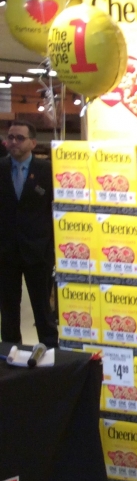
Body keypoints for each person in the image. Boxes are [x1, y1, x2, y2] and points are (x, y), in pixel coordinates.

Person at [0, 120, 58, 348]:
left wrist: (51, 246)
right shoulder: (1, 169)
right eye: (10, 137)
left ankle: (50, 349)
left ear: (33, 143)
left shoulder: (47, 170)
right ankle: (9, 351)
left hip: (38, 251)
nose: (13, 142)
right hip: (6, 251)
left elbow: (54, 209)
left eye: (19, 138)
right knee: (8, 307)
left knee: (42, 307)